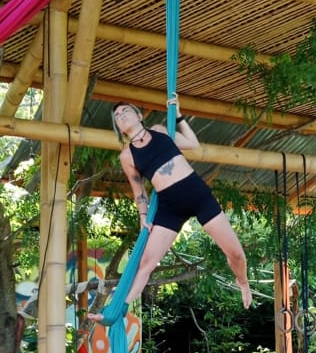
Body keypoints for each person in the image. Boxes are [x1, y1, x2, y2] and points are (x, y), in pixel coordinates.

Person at [91, 98, 252, 314]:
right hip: (170, 206)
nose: (121, 115)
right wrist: (143, 217)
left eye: (125, 110)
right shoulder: (127, 156)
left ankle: (243, 282)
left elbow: (193, 143)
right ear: (118, 128)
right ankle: (119, 309)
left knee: (236, 254)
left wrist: (178, 116)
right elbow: (139, 191)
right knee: (146, 263)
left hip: (197, 195)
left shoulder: (160, 131)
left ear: (139, 115)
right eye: (117, 116)